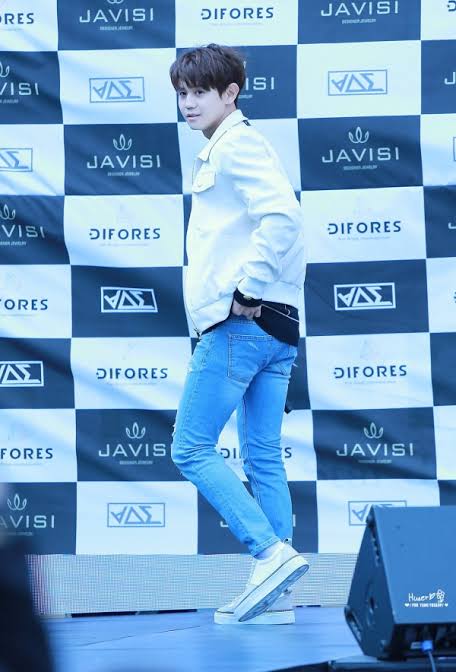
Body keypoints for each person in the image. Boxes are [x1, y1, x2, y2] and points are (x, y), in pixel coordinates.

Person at [169, 44, 309, 625]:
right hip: (276, 327)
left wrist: (247, 290)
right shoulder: (231, 145)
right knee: (262, 457)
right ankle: (277, 595)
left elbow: (283, 216)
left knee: (190, 447)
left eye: (200, 91)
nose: (188, 102)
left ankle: (270, 554)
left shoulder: (237, 144)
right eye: (182, 93)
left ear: (231, 93)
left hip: (244, 323)